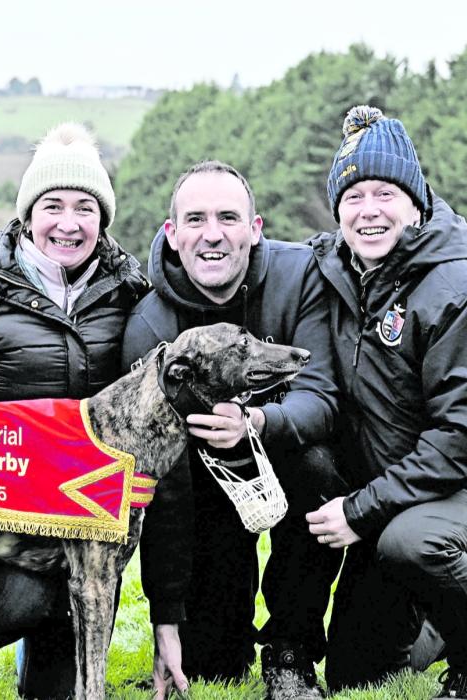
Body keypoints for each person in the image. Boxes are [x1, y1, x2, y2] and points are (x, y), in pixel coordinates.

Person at [298, 105, 467, 699]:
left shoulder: (464, 292)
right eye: (353, 196)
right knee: (359, 672)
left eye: (385, 192)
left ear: (417, 201)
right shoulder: (335, 271)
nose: (368, 210)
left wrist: (360, 510)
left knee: (416, 545)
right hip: (394, 492)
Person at [0, 123, 148, 700]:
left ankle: (40, 663)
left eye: (85, 207)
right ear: (28, 212)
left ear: (103, 217)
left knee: (55, 682)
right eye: (54, 205)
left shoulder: (131, 291)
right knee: (26, 596)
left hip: (88, 511)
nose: (69, 223)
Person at [119, 160, 341, 697]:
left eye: (228, 217)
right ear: (172, 234)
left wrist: (257, 422)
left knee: (317, 463)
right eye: (194, 219)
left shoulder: (299, 276)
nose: (212, 234)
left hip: (292, 456)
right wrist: (165, 618)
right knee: (215, 667)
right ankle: (222, 627)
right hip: (199, 488)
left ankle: (292, 645)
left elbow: (323, 398)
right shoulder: (150, 327)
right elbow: (157, 485)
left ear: (255, 228)